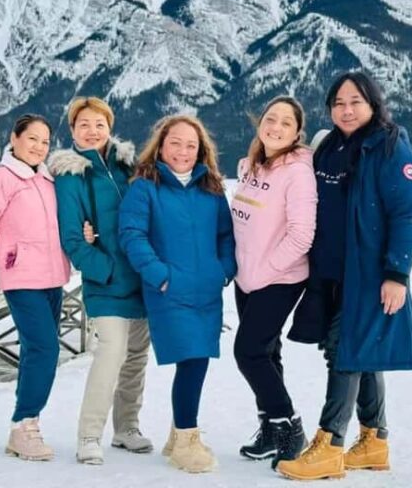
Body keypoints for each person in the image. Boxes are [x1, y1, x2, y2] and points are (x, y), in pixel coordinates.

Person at [276, 71, 412, 481]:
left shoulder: (390, 147)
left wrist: (398, 274)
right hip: (330, 275)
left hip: (369, 276)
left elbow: (406, 214)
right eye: (338, 103)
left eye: (355, 101)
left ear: (373, 103)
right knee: (358, 352)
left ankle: (330, 443)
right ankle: (374, 439)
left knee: (345, 352)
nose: (346, 109)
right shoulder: (329, 147)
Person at [118, 115, 236, 474]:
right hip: (169, 290)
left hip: (207, 290)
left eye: (191, 145)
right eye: (175, 143)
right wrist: (160, 276)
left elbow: (226, 236)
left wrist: (224, 270)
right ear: (161, 145)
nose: (183, 151)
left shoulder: (211, 188)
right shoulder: (145, 186)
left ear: (201, 149)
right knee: (192, 358)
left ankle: (177, 436)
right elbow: (131, 235)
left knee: (195, 361)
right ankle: (186, 438)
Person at [48, 97, 152, 465]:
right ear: (72, 130)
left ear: (110, 126)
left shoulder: (130, 167)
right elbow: (73, 240)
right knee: (110, 355)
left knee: (136, 358)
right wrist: (105, 270)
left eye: (99, 124)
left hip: (142, 279)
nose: (92, 131)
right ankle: (89, 436)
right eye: (83, 125)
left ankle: (126, 428)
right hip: (105, 283)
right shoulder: (70, 177)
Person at [0, 114, 70, 461]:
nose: (39, 147)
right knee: (46, 350)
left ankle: (25, 426)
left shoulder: (47, 180)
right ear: (14, 138)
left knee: (34, 351)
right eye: (32, 139)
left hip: (53, 278)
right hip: (22, 280)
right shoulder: (0, 178)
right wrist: (6, 263)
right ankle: (24, 423)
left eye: (45, 142)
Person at [231, 97, 317, 467]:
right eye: (271, 119)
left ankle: (289, 423)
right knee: (267, 353)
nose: (276, 126)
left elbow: (301, 236)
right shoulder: (252, 167)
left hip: (280, 278)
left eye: (286, 122)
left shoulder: (298, 172)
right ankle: (269, 427)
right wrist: (240, 270)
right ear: (260, 123)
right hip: (246, 277)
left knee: (248, 351)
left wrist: (265, 273)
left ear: (298, 132)